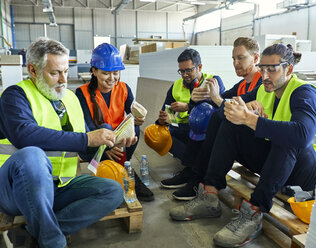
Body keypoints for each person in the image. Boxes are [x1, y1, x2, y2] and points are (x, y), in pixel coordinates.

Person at [170, 44, 316, 248]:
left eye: (272, 69)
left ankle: (254, 211)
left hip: (302, 174)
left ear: (288, 69)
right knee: (228, 120)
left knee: (287, 139)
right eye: (262, 69)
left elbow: (302, 135)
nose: (265, 75)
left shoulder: (304, 93)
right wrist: (241, 109)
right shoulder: (264, 88)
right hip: (275, 164)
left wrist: (251, 120)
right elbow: (229, 106)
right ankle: (209, 193)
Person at [0, 38, 137, 248]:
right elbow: (23, 135)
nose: (63, 79)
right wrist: (87, 138)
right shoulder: (15, 96)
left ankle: (37, 232)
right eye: (54, 73)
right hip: (14, 191)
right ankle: (53, 242)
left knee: (112, 191)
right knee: (32, 155)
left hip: (60, 186)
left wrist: (113, 139)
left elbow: (87, 142)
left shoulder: (70, 99)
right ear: (33, 70)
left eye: (65, 71)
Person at [166, 37, 262, 200]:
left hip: (257, 147)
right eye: (233, 59)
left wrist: (215, 99)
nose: (236, 63)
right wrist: (195, 101)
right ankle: (192, 173)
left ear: (256, 58)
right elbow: (218, 100)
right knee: (204, 111)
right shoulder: (242, 84)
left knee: (214, 117)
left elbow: (222, 103)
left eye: (241, 58)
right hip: (243, 142)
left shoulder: (262, 85)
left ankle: (199, 179)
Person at [75, 43, 154, 202]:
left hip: (117, 143)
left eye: (116, 73)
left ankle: (124, 169)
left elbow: (132, 113)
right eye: (105, 73)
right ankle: (114, 173)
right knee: (105, 128)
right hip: (93, 146)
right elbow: (87, 127)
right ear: (94, 71)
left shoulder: (124, 88)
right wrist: (105, 149)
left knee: (135, 128)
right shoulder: (81, 93)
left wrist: (138, 118)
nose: (112, 79)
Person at [157, 48, 225, 186]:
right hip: (183, 128)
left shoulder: (213, 82)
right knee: (160, 134)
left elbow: (219, 110)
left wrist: (188, 107)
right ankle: (193, 170)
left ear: (199, 67)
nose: (185, 75)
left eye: (189, 70)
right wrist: (164, 120)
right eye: (181, 71)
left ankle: (191, 172)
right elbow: (166, 112)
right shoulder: (175, 86)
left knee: (203, 126)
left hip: (206, 130)